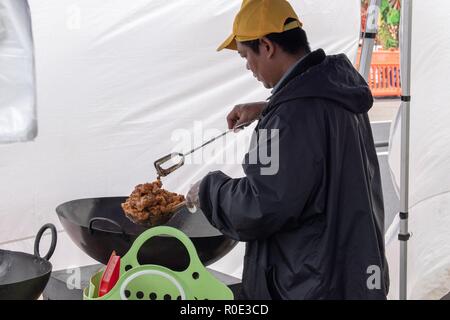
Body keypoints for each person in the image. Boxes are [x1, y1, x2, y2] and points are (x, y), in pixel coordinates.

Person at [186, 0, 389, 300]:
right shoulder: (335, 92)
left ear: (267, 46)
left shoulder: (293, 116)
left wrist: (208, 190)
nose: (247, 66)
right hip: (352, 274)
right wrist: (271, 108)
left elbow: (262, 205)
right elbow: (316, 136)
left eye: (246, 55)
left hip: (311, 286)